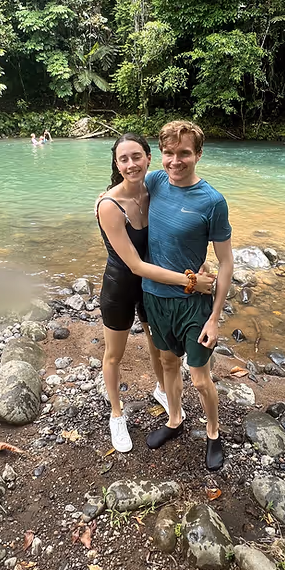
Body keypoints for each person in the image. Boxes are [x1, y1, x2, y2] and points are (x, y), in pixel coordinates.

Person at [97, 133, 214, 453]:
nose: (131, 164)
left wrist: (200, 263)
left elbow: (180, 234)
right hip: (121, 285)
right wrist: (189, 282)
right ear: (117, 164)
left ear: (149, 158)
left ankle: (163, 390)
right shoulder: (109, 205)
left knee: (157, 347)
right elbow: (134, 265)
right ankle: (117, 415)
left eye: (137, 157)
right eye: (124, 159)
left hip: (155, 287)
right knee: (114, 354)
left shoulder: (157, 189)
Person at [142, 120, 234, 472]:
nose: (175, 161)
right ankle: (175, 420)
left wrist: (215, 317)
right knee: (167, 363)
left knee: (199, 376)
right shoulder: (154, 181)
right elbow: (124, 195)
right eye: (168, 153)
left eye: (184, 153)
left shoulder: (212, 201)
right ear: (160, 155)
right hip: (154, 297)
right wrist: (102, 200)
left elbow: (225, 264)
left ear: (197, 154)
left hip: (193, 303)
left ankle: (213, 432)